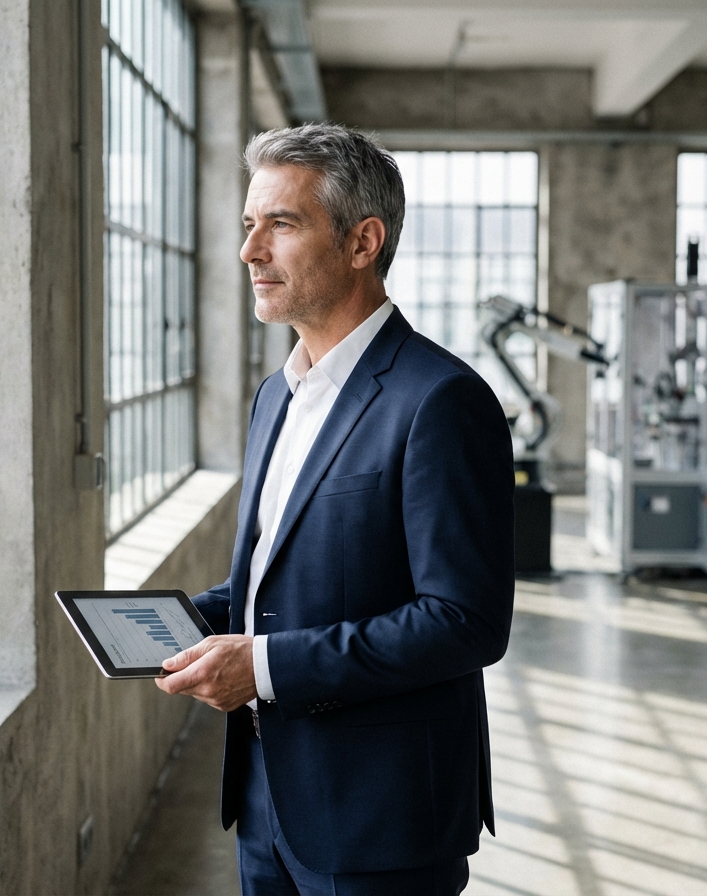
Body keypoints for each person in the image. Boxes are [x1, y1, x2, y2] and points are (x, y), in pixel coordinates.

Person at [156, 123, 515, 895]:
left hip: (380, 817)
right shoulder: (275, 397)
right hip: (266, 795)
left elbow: (466, 621)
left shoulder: (441, 402)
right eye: (249, 226)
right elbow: (275, 580)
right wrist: (184, 622)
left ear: (363, 243)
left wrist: (266, 668)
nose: (251, 251)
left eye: (280, 224)